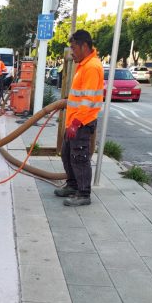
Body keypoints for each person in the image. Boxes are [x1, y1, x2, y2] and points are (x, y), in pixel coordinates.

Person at [51, 30, 104, 207]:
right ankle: (73, 186)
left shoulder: (92, 67)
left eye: (74, 48)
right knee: (67, 155)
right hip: (74, 121)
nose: (72, 52)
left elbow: (88, 100)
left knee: (79, 158)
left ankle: (83, 193)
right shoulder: (84, 65)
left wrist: (75, 123)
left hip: (82, 122)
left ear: (84, 46)